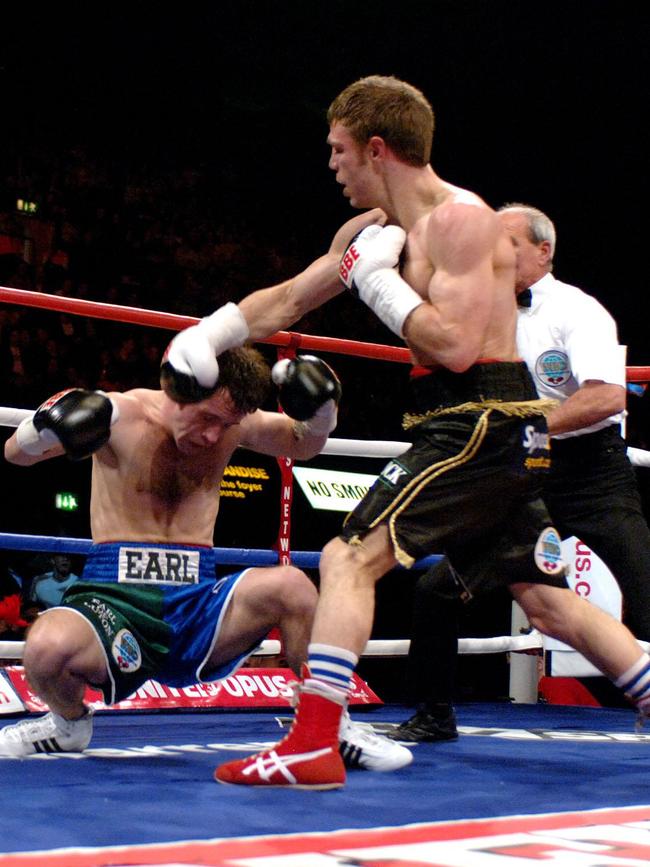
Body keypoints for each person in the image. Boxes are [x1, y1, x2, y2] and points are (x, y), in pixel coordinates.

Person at [161, 75, 650, 790]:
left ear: (377, 148)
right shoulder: (369, 234)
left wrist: (380, 286)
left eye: (339, 149)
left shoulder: (463, 222)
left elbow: (453, 346)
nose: (332, 164)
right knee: (545, 600)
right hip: (462, 423)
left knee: (348, 556)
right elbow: (294, 296)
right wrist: (210, 333)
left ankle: (313, 743)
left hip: (482, 419)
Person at [0, 348, 411, 772]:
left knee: (291, 586)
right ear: (175, 390)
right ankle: (67, 725)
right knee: (46, 648)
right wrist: (43, 426)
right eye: (207, 418)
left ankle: (329, 726)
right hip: (114, 600)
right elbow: (17, 452)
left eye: (227, 424)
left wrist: (324, 409)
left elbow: (303, 442)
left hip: (199, 603)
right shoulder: (118, 413)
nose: (215, 436)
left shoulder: (233, 422)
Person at [389, 203, 650, 742]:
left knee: (643, 582)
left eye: (505, 243)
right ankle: (433, 713)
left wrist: (530, 429)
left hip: (590, 471)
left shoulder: (578, 310)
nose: (492, 255)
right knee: (439, 587)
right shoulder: (478, 312)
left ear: (542, 250)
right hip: (517, 472)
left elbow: (607, 395)